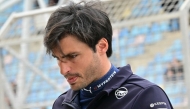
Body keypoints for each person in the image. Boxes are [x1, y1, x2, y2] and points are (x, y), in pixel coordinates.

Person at [44, 1, 173, 109]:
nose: (63, 70)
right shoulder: (61, 104)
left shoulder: (145, 96)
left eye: (72, 56)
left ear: (102, 46)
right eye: (58, 59)